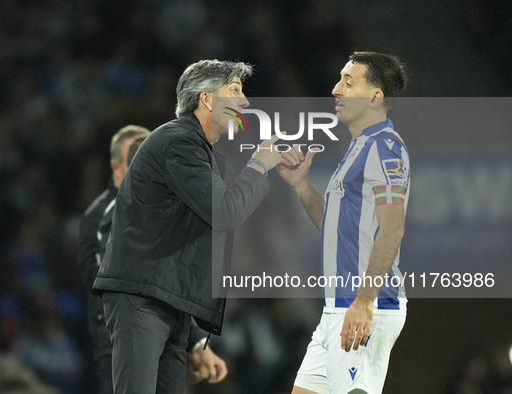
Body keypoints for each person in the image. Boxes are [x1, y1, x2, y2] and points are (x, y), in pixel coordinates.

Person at [93, 59, 281, 394]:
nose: (246, 102)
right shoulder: (178, 142)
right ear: (208, 99)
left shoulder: (203, 151)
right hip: (142, 298)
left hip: (168, 301)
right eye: (235, 91)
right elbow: (226, 212)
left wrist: (195, 340)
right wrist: (258, 165)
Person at [278, 52, 409, 394]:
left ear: (375, 97)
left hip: (364, 303)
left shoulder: (384, 148)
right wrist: (302, 186)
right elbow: (336, 230)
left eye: (348, 82)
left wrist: (364, 302)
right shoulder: (357, 149)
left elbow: (392, 227)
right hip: (338, 307)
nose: (336, 89)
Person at [79, 126, 228, 394]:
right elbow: (113, 281)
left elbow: (167, 282)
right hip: (119, 341)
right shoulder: (103, 215)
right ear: (116, 168)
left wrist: (195, 342)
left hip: (162, 328)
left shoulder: (163, 211)